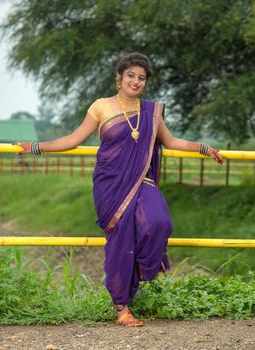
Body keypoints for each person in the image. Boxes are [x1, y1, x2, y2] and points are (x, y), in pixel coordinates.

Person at [14, 52, 223, 327]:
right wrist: (36, 147)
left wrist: (204, 148)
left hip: (141, 179)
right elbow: (73, 139)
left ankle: (133, 272)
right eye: (131, 76)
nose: (136, 81)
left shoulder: (151, 111)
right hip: (110, 183)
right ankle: (122, 308)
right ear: (119, 78)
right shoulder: (101, 107)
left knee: (158, 222)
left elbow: (171, 142)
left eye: (141, 78)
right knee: (121, 238)